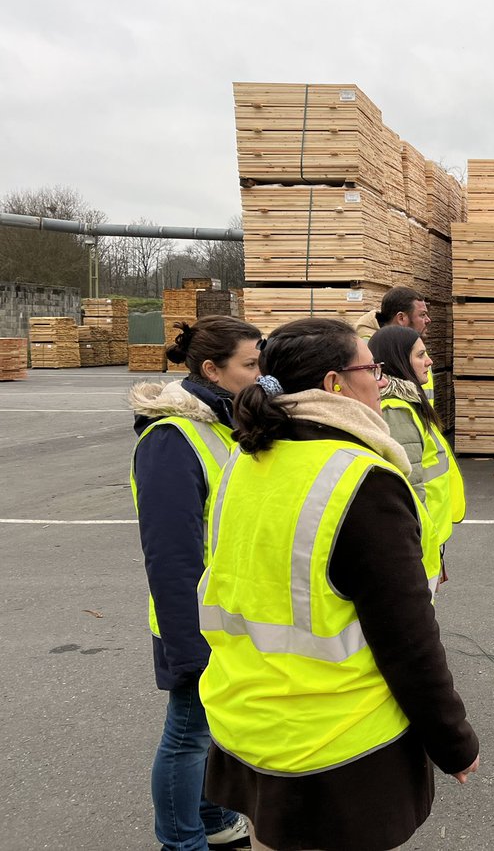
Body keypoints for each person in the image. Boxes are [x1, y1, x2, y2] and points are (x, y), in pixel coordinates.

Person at [199, 318, 478, 851]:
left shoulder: (244, 458)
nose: (381, 380)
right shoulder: (361, 480)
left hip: (247, 724)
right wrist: (453, 742)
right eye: (370, 368)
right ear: (334, 384)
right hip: (335, 745)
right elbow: (407, 640)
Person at [129, 316, 262, 851]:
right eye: (250, 365)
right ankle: (181, 840)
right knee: (188, 734)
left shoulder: (225, 424)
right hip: (193, 619)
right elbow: (170, 553)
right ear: (212, 369)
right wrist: (189, 645)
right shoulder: (171, 439)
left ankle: (209, 816)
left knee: (215, 729)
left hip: (225, 615)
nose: (260, 376)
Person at [369, 325, 465, 595]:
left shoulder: (408, 404)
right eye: (420, 355)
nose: (429, 361)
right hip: (419, 540)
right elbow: (407, 487)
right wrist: (414, 549)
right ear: (399, 360)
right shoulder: (397, 411)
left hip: (427, 533)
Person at [355, 286, 435, 400]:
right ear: (401, 318)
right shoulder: (366, 352)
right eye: (422, 315)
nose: (428, 320)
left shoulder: (414, 345)